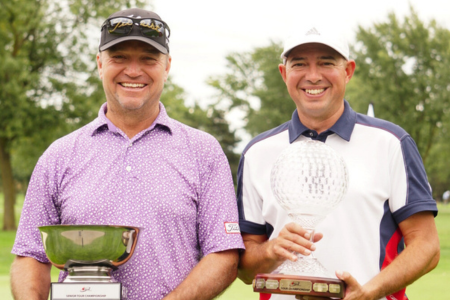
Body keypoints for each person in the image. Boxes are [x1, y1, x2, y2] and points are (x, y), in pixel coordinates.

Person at [11, 8, 244, 300]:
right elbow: (30, 254)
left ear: (167, 66)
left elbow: (224, 254)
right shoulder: (59, 155)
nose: (133, 71)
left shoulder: (203, 152)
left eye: (148, 59)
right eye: (119, 58)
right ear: (99, 63)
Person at [236, 24, 440, 300]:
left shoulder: (391, 142)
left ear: (348, 71)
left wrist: (370, 291)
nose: (313, 76)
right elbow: (245, 268)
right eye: (299, 64)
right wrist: (270, 251)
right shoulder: (257, 152)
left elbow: (427, 247)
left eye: (326, 63)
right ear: (284, 74)